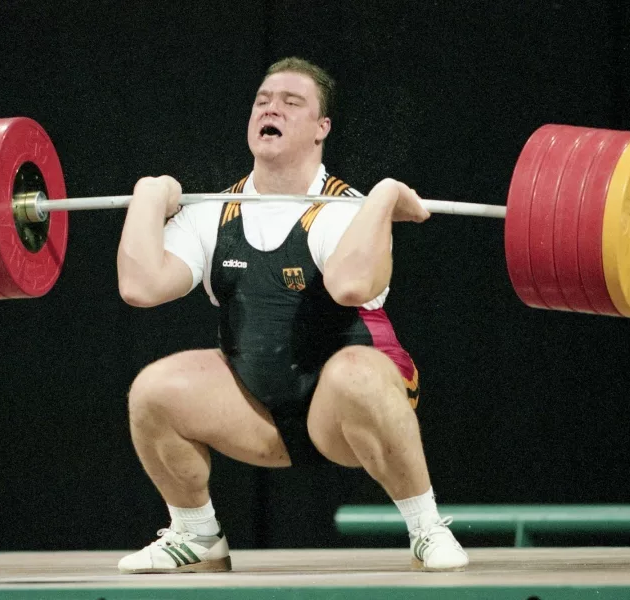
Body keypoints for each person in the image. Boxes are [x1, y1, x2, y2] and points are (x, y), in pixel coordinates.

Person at [115, 57, 468, 573]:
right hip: (258, 412)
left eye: (290, 102)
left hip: (347, 416)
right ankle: (197, 535)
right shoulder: (212, 212)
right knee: (152, 391)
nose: (271, 109)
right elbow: (140, 286)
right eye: (262, 101)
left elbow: (350, 286)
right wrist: (148, 196)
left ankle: (426, 527)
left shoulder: (347, 210)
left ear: (322, 127)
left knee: (354, 373)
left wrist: (384, 195)